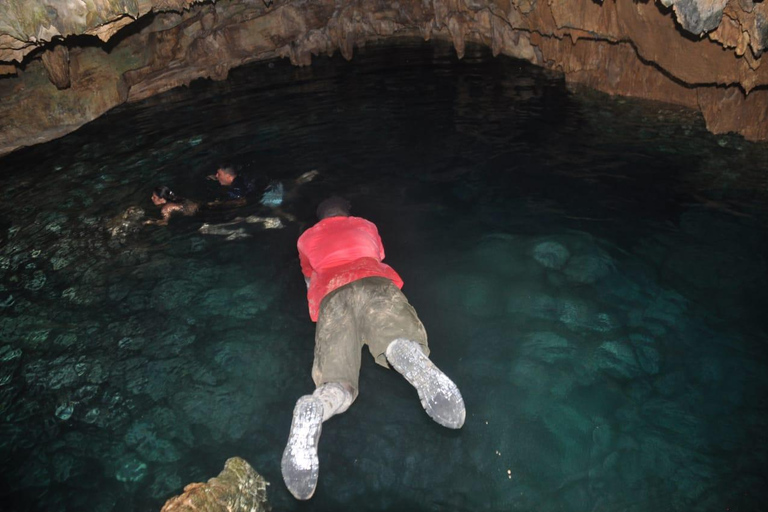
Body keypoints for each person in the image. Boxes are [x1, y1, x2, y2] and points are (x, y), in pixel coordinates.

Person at [281, 196, 466, 500]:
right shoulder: (366, 225)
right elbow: (377, 255)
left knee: (335, 382)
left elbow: (307, 276)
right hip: (374, 281)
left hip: (331, 294)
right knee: (396, 337)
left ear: (319, 219)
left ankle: (320, 403)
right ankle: (403, 352)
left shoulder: (305, 238)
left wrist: (318, 300)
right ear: (347, 213)